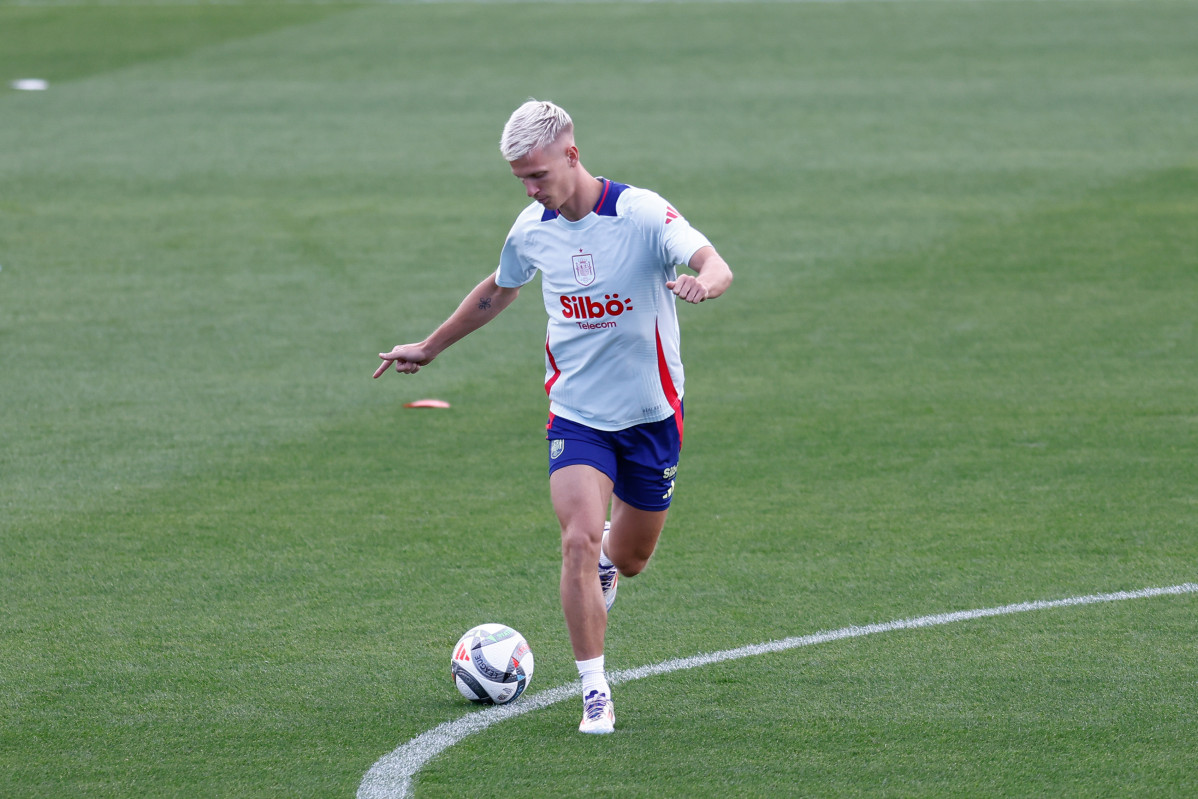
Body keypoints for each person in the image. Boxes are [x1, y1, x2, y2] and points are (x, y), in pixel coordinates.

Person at [374, 99, 733, 734]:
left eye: (538, 175)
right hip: (577, 416)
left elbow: (713, 261)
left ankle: (604, 573)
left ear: (571, 154)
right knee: (576, 539)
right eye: (521, 180)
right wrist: (429, 347)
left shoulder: (642, 212)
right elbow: (500, 288)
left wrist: (703, 281)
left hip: (652, 418)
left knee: (627, 559)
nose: (531, 189)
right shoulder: (531, 227)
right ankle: (595, 691)